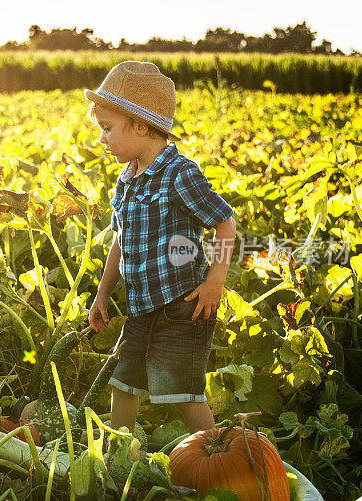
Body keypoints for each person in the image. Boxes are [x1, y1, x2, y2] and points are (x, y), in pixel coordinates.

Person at [85, 61, 236, 435]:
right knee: (124, 384)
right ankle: (119, 453)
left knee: (183, 392)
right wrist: (103, 294)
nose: (102, 138)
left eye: (107, 129)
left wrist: (215, 282)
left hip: (182, 307)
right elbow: (121, 240)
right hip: (140, 307)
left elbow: (224, 223)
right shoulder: (127, 179)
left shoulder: (180, 174)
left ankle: (214, 453)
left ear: (140, 125)